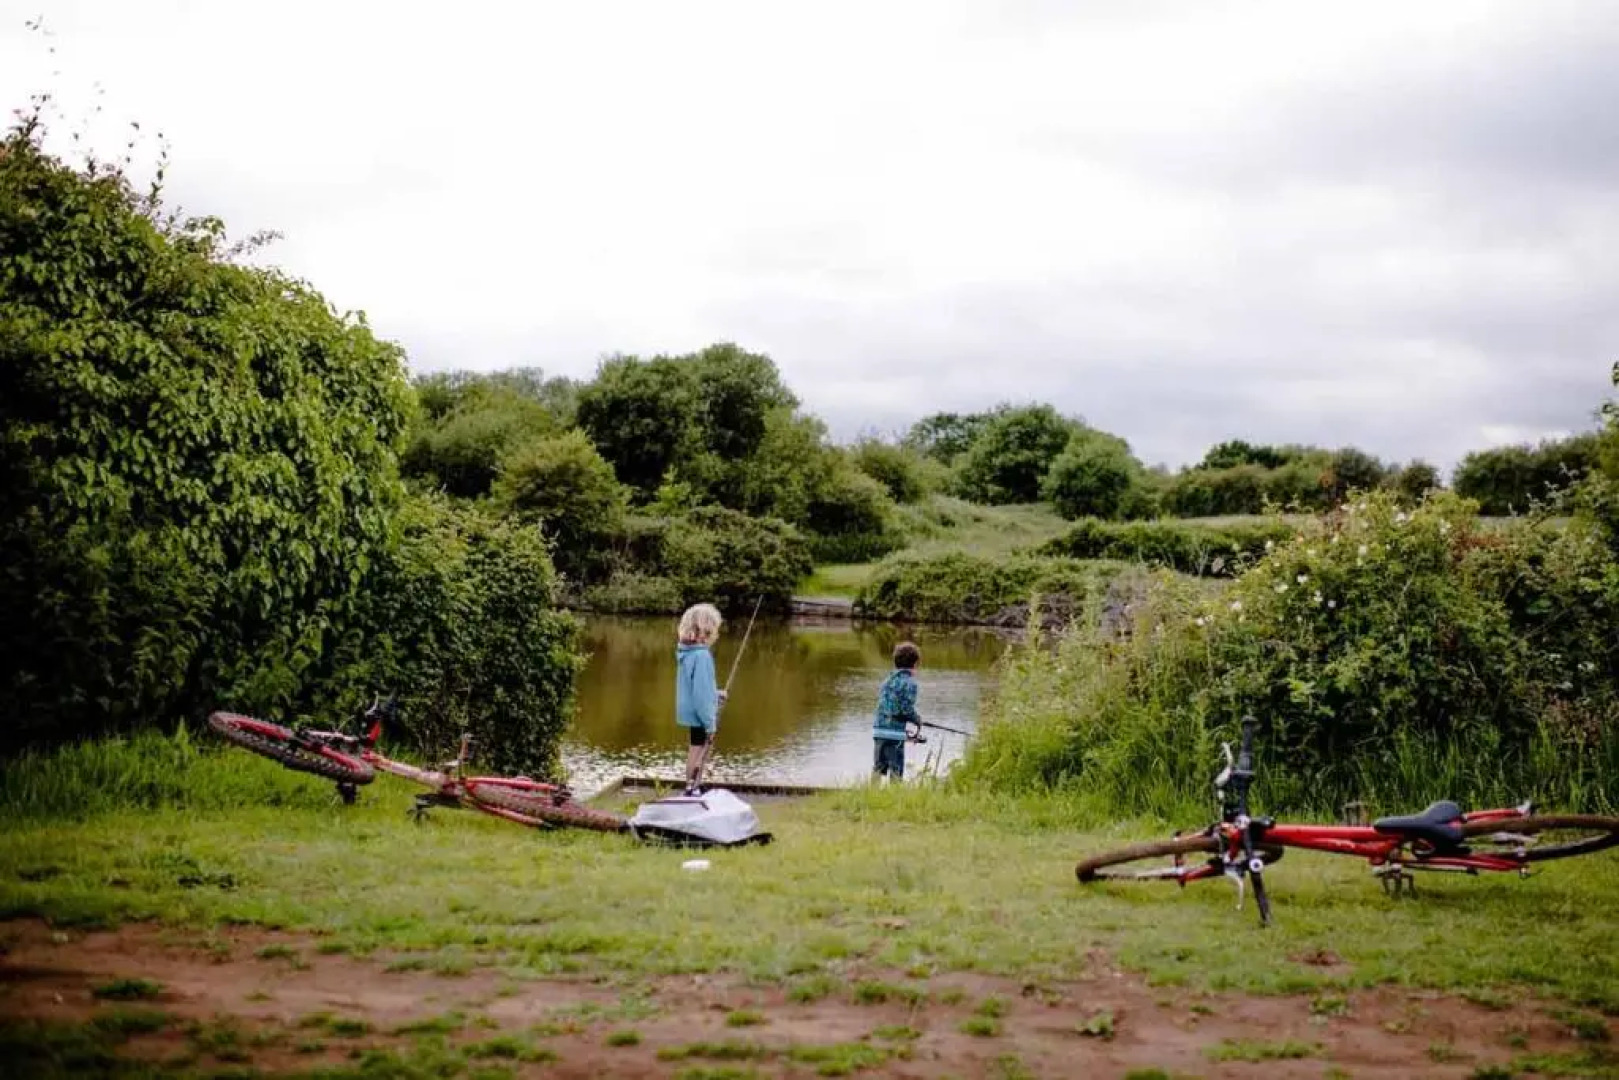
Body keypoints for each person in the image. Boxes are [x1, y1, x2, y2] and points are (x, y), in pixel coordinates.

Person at [675, 602, 727, 793]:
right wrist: (710, 723)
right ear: (704, 630)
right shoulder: (702, 656)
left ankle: (691, 785)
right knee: (700, 751)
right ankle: (692, 788)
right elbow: (701, 696)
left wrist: (715, 694)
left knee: (695, 748)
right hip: (700, 713)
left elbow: (699, 688)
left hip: (689, 710)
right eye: (712, 629)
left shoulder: (685, 652)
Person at [873, 641, 920, 781]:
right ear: (915, 664)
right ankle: (895, 797)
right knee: (896, 770)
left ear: (895, 663)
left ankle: (871, 794)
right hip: (895, 735)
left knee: (878, 768)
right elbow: (905, 710)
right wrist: (917, 719)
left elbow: (887, 707)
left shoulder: (887, 681)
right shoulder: (910, 683)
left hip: (879, 731)